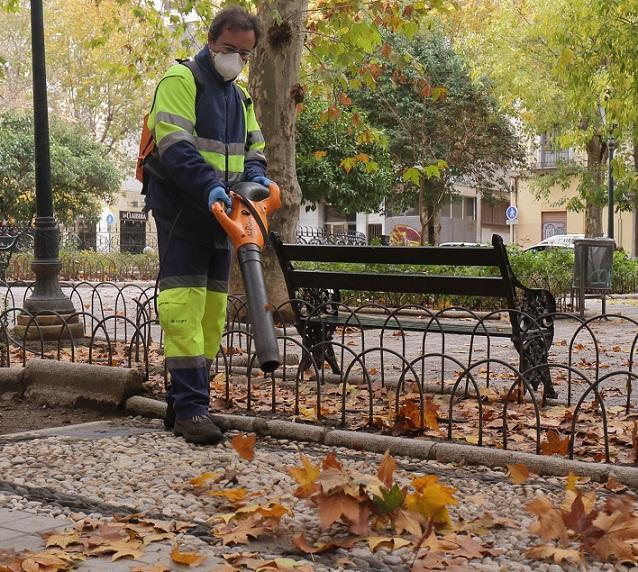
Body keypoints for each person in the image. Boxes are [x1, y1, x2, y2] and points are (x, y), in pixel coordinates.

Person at [144, 6, 275, 445]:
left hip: (224, 216)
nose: (235, 58)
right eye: (228, 48)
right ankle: (193, 409)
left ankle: (183, 402)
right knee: (184, 309)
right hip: (183, 212)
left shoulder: (240, 99)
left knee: (213, 312)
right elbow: (176, 148)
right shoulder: (180, 81)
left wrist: (256, 180)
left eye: (244, 53)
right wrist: (207, 188)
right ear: (211, 41)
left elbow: (254, 150)